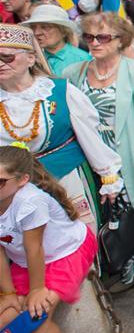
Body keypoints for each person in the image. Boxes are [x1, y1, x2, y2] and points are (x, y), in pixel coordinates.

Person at [62, 13, 134, 296]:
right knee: (114, 218)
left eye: (103, 37)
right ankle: (129, 268)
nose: (94, 43)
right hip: (95, 163)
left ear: (120, 40)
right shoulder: (73, 73)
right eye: (89, 37)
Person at [0, 23, 122, 229]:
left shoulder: (60, 91)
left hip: (66, 180)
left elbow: (90, 136)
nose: (1, 64)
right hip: (13, 189)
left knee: (76, 241)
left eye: (7, 57)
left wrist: (109, 175)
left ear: (30, 58)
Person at [0, 144, 99, 333]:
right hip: (25, 260)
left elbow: (35, 248)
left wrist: (36, 290)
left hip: (65, 253)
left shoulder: (30, 201)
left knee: (35, 319)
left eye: (0, 181)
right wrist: (8, 293)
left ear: (23, 180)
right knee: (3, 322)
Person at [22, 4, 91, 76]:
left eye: (45, 27)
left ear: (63, 31)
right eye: (33, 27)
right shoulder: (31, 59)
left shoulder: (83, 60)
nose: (37, 32)